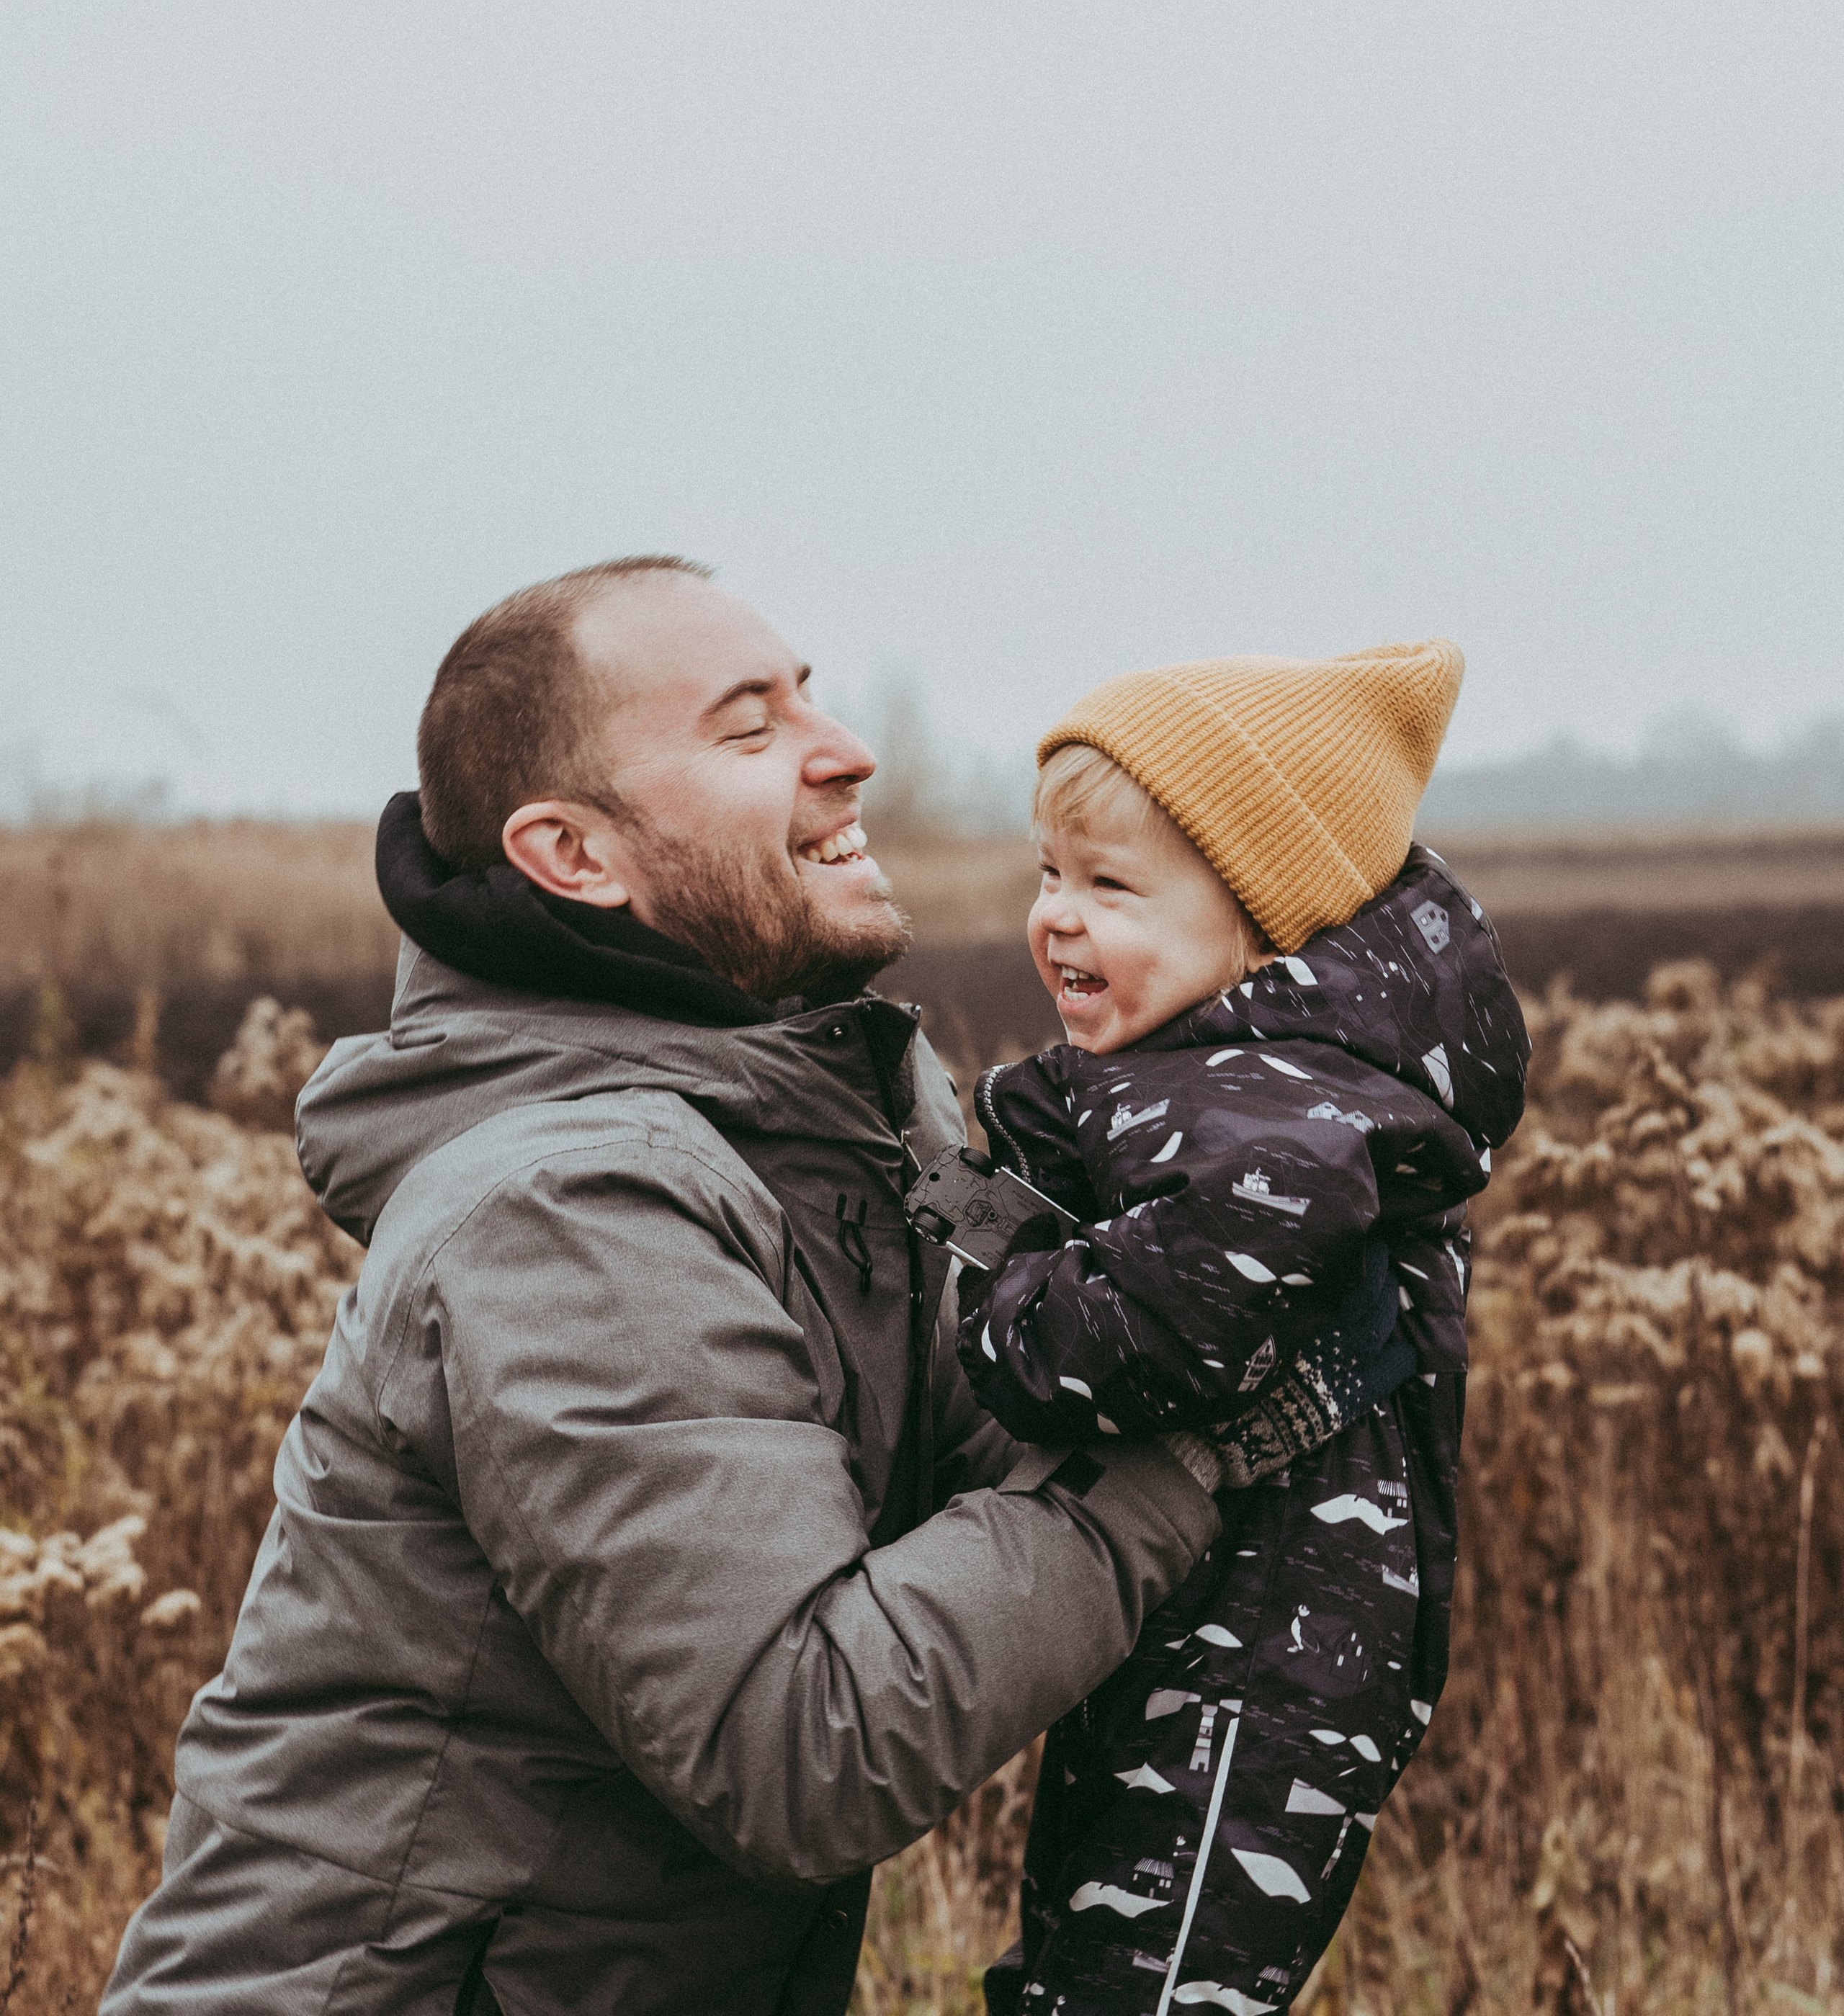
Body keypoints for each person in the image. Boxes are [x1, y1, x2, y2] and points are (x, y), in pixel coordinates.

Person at [102, 557, 1224, 2016]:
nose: (846, 751)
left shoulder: (837, 1111)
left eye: (807, 695)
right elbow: (801, 1749)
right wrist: (1199, 1446)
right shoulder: (568, 1206)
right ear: (574, 856)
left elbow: (1007, 1443)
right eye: (748, 729)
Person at [956, 643, 1529, 2016]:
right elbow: (1049, 1111)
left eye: (1110, 887)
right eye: (1048, 875)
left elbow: (1145, 1336)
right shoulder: (1219, 1067)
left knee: (1152, 1980)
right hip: (1204, 1627)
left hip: (1272, 1669)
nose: (1057, 920)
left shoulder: (1274, 1118)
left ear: (1265, 923)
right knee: (1083, 1945)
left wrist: (990, 1301)